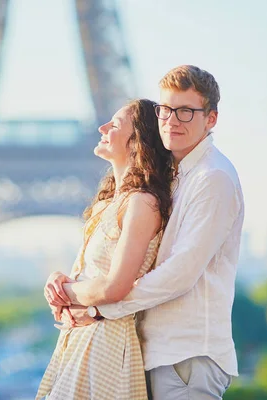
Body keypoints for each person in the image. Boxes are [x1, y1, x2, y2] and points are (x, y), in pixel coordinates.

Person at [46, 65, 244, 399]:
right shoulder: (174, 179)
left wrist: (97, 305)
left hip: (187, 355)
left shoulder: (212, 179)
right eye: (165, 110)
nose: (172, 120)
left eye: (186, 111)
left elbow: (179, 274)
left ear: (211, 119)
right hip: (157, 351)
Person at [36, 98, 174, 400]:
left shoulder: (142, 202)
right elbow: (89, 274)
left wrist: (67, 293)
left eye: (114, 125)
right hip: (84, 337)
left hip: (105, 342)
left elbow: (115, 286)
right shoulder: (109, 204)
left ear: (137, 141)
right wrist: (58, 282)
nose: (101, 128)